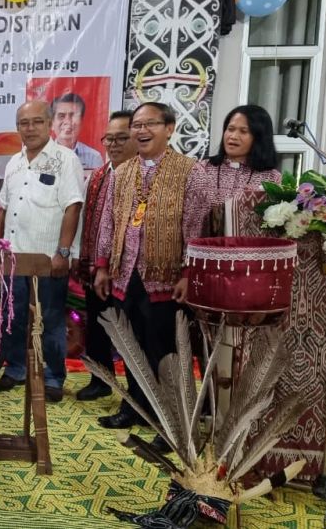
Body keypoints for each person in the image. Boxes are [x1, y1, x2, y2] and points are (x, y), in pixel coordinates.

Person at [93, 102, 209, 453]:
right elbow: (108, 222)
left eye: (150, 124)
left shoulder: (191, 171)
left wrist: (189, 273)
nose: (141, 131)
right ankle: (136, 408)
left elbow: (197, 226)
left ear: (170, 128)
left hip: (166, 277)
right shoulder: (122, 171)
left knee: (166, 353)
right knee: (129, 347)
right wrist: (101, 266)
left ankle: (172, 423)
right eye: (137, 125)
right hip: (124, 274)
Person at [0, 100, 84, 402]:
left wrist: (63, 252)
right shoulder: (15, 163)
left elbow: (73, 206)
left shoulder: (65, 159)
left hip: (47, 258)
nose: (29, 128)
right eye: (23, 123)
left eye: (36, 122)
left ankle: (53, 377)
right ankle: (16, 368)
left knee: (52, 320)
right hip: (16, 257)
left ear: (49, 124)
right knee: (14, 316)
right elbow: (4, 209)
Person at [75, 110, 137, 401]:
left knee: (129, 335)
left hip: (128, 271)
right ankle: (100, 379)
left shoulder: (142, 176)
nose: (113, 144)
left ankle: (136, 396)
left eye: (121, 138)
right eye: (108, 138)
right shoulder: (99, 175)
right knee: (97, 325)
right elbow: (89, 219)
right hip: (95, 268)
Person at [202, 105, 282, 209]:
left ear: (259, 138)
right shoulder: (203, 169)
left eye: (243, 131)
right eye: (230, 129)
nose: (233, 136)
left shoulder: (272, 179)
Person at [51, 93, 104, 170]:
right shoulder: (41, 155)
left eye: (73, 116)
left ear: (81, 121)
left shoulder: (93, 157)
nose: (68, 121)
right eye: (61, 116)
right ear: (52, 123)